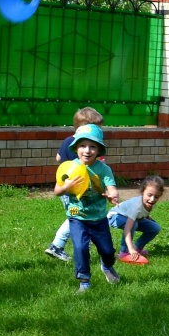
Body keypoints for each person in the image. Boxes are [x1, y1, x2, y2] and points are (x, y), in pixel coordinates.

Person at [51, 123, 120, 291]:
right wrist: (66, 186)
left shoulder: (103, 169)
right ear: (76, 148)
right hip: (77, 217)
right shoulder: (70, 167)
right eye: (82, 145)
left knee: (108, 251)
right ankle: (84, 282)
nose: (87, 150)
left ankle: (107, 265)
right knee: (81, 248)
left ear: (99, 150)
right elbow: (56, 191)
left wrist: (112, 195)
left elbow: (111, 188)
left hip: (99, 219)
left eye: (92, 146)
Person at [45, 106, 104, 262]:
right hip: (77, 188)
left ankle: (73, 246)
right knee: (77, 216)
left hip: (64, 185)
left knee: (75, 215)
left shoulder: (68, 141)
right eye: (96, 129)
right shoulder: (81, 146)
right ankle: (57, 245)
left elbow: (58, 158)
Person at [109, 175, 164, 264]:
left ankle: (137, 248)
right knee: (133, 224)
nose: (152, 199)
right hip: (115, 216)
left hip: (131, 218)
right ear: (142, 192)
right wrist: (130, 248)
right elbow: (128, 229)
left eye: (156, 197)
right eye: (149, 195)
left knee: (155, 228)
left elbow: (143, 212)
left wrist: (147, 217)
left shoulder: (150, 203)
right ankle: (124, 252)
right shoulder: (136, 206)